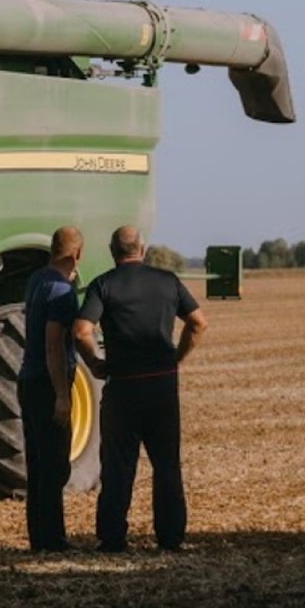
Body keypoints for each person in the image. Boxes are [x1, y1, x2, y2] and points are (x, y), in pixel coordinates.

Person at [74, 225, 208, 553]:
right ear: (143, 249)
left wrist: (95, 362)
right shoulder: (168, 282)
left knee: (118, 466)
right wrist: (175, 359)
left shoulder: (103, 285)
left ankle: (112, 538)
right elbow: (198, 323)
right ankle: (171, 538)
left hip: (122, 388)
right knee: (166, 465)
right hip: (162, 387)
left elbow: (80, 331)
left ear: (112, 251)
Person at [19, 225, 89, 552]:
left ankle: (39, 536)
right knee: (55, 465)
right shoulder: (62, 292)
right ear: (77, 254)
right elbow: (53, 346)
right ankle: (53, 539)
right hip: (47, 383)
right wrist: (62, 395)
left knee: (37, 464)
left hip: (26, 379)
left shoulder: (36, 281)